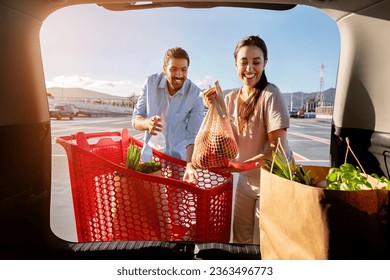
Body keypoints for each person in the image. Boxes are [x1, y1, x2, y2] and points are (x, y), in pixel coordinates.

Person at [202, 35, 291, 244]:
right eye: (244, 62)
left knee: (263, 244)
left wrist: (240, 166)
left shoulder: (271, 95)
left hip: (272, 180)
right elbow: (222, 138)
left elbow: (276, 151)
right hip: (245, 181)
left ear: (265, 63)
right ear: (235, 64)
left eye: (256, 62)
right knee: (240, 240)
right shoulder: (231, 98)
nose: (249, 68)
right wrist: (210, 107)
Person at [132, 47, 204, 184]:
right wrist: (147, 123)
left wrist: (190, 164)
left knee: (175, 203)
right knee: (152, 201)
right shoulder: (150, 83)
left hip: (179, 160)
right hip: (152, 157)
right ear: (164, 69)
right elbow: (135, 119)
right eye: (173, 69)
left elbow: (192, 135)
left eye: (184, 69)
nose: (179, 74)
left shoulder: (195, 94)